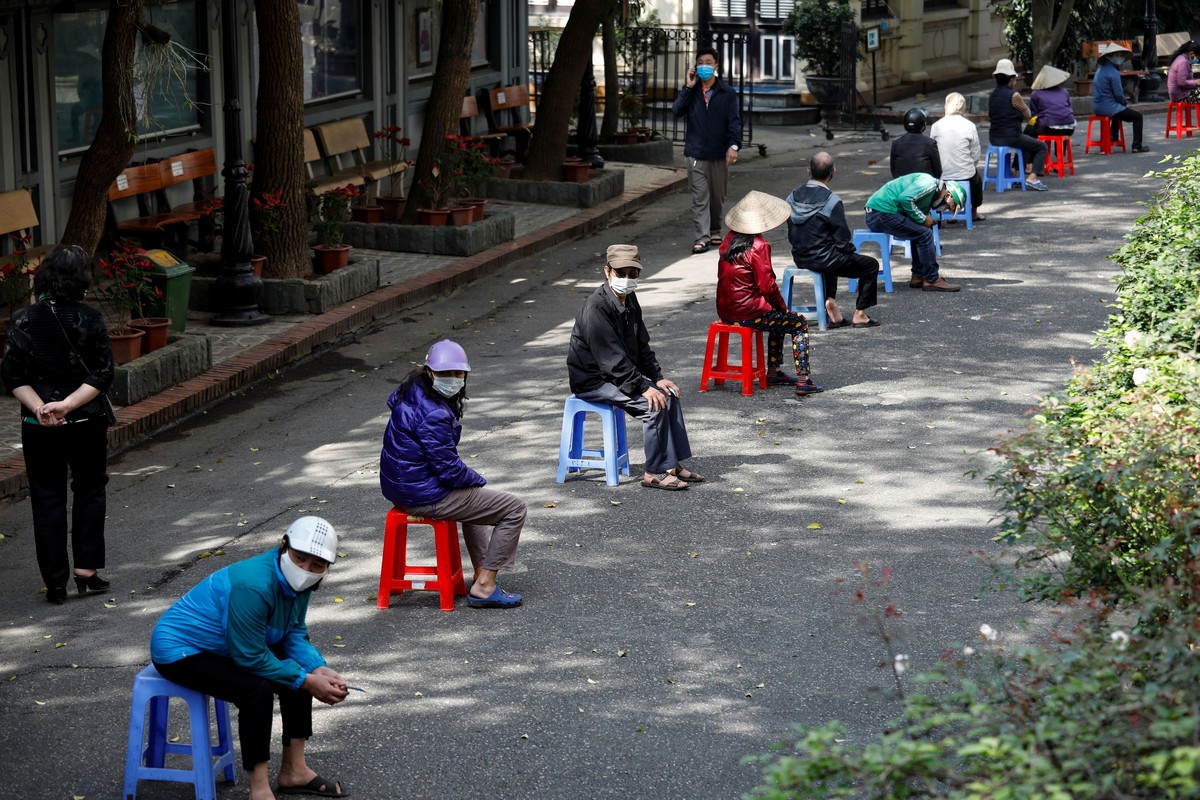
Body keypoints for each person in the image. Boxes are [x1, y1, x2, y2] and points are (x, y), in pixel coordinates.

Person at [151, 517, 352, 799]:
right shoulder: (254, 585)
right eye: (299, 558)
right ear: (283, 546)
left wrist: (317, 668)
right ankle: (259, 790)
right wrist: (306, 679)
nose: (305, 569)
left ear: (326, 567)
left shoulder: (303, 585)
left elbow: (292, 631)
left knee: (299, 673)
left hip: (232, 643)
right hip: (182, 650)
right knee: (257, 690)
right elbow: (250, 658)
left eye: (317, 565)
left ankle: (295, 771)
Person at [1, 244, 114, 605]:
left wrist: (42, 409)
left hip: (38, 426)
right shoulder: (91, 318)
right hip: (85, 419)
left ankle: (54, 583)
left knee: (46, 496)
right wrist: (66, 405)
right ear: (82, 279)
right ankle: (86, 570)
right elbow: (103, 373)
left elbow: (11, 375)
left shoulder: (21, 319)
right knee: (90, 488)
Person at [380, 340, 526, 609]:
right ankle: (484, 585)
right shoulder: (433, 413)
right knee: (514, 508)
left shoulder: (411, 394)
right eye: (446, 374)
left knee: (478, 503)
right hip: (422, 493)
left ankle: (482, 574)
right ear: (430, 373)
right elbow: (449, 470)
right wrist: (477, 479)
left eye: (458, 374)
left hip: (403, 486)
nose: (453, 379)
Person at [568, 245, 703, 491]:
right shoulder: (596, 308)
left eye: (633, 274)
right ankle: (653, 472)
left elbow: (641, 344)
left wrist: (657, 378)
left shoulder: (629, 298)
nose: (627, 279)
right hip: (593, 380)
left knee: (669, 395)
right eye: (621, 273)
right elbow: (611, 360)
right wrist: (643, 387)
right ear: (607, 272)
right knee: (653, 405)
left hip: (617, 375)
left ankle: (672, 464)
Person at [716, 191, 825, 398]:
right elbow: (767, 286)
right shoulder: (759, 246)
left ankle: (774, 372)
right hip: (748, 313)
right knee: (797, 322)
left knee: (778, 317)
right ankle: (803, 381)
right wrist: (782, 307)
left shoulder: (728, 241)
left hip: (726, 311)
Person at [786, 152, 881, 326]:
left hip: (801, 256)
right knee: (870, 265)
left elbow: (791, 229)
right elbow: (842, 239)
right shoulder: (832, 201)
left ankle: (830, 305)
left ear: (808, 171)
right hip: (825, 259)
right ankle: (860, 313)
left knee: (831, 255)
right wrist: (851, 252)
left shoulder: (791, 197)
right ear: (833, 172)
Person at [672, 45, 743, 255]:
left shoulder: (727, 93)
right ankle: (701, 237)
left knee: (716, 198)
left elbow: (735, 122)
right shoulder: (691, 92)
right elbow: (676, 111)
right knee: (699, 197)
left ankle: (714, 229)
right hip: (695, 154)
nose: (704, 66)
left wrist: (733, 146)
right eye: (700, 63)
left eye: (708, 63)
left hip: (719, 154)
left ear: (716, 66)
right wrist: (687, 86)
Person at [864, 175, 966, 293]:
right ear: (949, 195)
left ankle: (918, 275)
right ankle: (932, 279)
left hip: (880, 213)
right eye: (949, 206)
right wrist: (923, 218)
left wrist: (924, 220)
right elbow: (905, 199)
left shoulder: (930, 195)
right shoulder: (929, 184)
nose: (946, 209)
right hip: (880, 213)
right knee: (925, 234)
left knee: (921, 231)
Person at [988, 58, 1050, 191]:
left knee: (1025, 142)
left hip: (994, 136)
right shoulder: (1014, 96)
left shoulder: (992, 95)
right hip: (1011, 136)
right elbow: (1028, 115)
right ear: (1011, 79)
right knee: (1041, 147)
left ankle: (1013, 172)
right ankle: (1032, 178)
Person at [930, 92, 985, 223]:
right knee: (976, 181)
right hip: (965, 174)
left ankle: (949, 210)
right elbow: (975, 153)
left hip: (942, 174)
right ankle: (973, 212)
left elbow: (932, 151)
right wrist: (970, 165)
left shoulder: (936, 126)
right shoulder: (969, 125)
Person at [1093, 43, 1149, 153]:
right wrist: (1125, 102)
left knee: (1119, 110)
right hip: (1109, 107)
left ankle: (1113, 135)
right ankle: (1137, 146)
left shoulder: (1100, 70)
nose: (1120, 57)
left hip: (1098, 107)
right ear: (1110, 56)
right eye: (1117, 55)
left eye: (1120, 55)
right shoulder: (1113, 72)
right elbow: (1118, 94)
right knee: (1138, 117)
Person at [890, 108, 942, 179]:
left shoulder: (896, 143)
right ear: (923, 124)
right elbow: (938, 172)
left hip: (902, 186)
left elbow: (894, 171)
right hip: (924, 186)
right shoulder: (930, 144)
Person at [1027, 65, 1076, 138]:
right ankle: (1062, 149)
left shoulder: (1036, 94)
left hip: (1047, 128)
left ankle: (1038, 148)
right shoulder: (1064, 92)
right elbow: (1068, 107)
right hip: (1070, 127)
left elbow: (1034, 113)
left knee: (1029, 130)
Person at [1166, 39, 1200, 104]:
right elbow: (1181, 82)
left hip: (1180, 94)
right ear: (1192, 54)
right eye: (1197, 58)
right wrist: (1196, 82)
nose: (1197, 61)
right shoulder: (1183, 62)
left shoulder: (1182, 58)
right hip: (1181, 97)